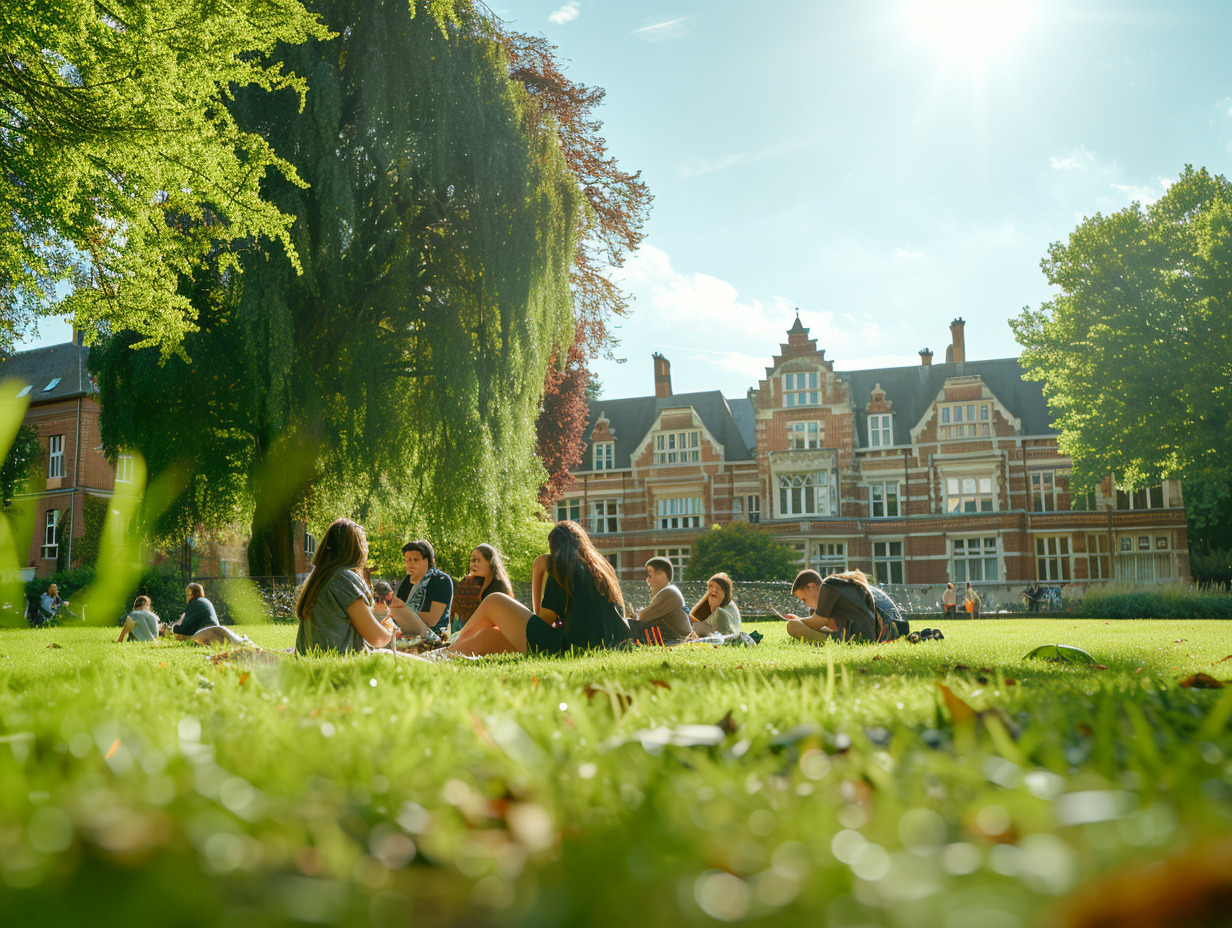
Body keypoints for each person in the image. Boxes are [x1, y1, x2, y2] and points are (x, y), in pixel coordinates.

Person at [446, 521, 631, 657]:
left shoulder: (564, 569)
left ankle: (450, 648)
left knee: (494, 601)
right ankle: (448, 654)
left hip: (565, 649)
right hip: (598, 645)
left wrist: (540, 567)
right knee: (489, 635)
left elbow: (544, 619)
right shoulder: (602, 570)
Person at [295, 518, 396, 654]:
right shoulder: (344, 579)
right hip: (338, 666)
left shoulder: (319, 577)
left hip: (312, 665)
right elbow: (378, 638)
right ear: (358, 549)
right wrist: (390, 629)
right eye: (364, 544)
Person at [784, 569, 881, 644]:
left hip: (856, 638)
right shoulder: (837, 585)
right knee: (801, 625)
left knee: (792, 625)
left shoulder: (828, 587)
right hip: (866, 636)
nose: (805, 604)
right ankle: (824, 641)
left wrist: (798, 620)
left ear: (811, 587)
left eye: (804, 599)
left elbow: (818, 622)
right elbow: (830, 626)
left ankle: (824, 643)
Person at [390, 539, 453, 642]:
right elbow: (396, 607)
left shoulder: (441, 580)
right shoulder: (407, 580)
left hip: (435, 638)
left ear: (427, 561)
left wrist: (403, 613)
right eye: (408, 560)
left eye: (416, 560)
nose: (411, 564)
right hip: (407, 635)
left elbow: (431, 620)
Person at [627, 557, 693, 643]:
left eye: (650, 575)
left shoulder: (669, 592)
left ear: (661, 574)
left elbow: (643, 617)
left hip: (676, 640)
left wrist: (636, 615)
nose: (647, 580)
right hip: (673, 638)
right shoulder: (668, 591)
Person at [168, 582, 250, 646]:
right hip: (218, 629)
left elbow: (184, 630)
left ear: (191, 594)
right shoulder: (205, 601)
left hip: (207, 633)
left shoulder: (193, 603)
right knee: (238, 642)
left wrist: (174, 626)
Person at [690, 572, 742, 636]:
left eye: (718, 587)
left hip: (721, 637)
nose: (713, 590)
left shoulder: (723, 611)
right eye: (711, 587)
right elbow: (693, 617)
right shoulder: (713, 600)